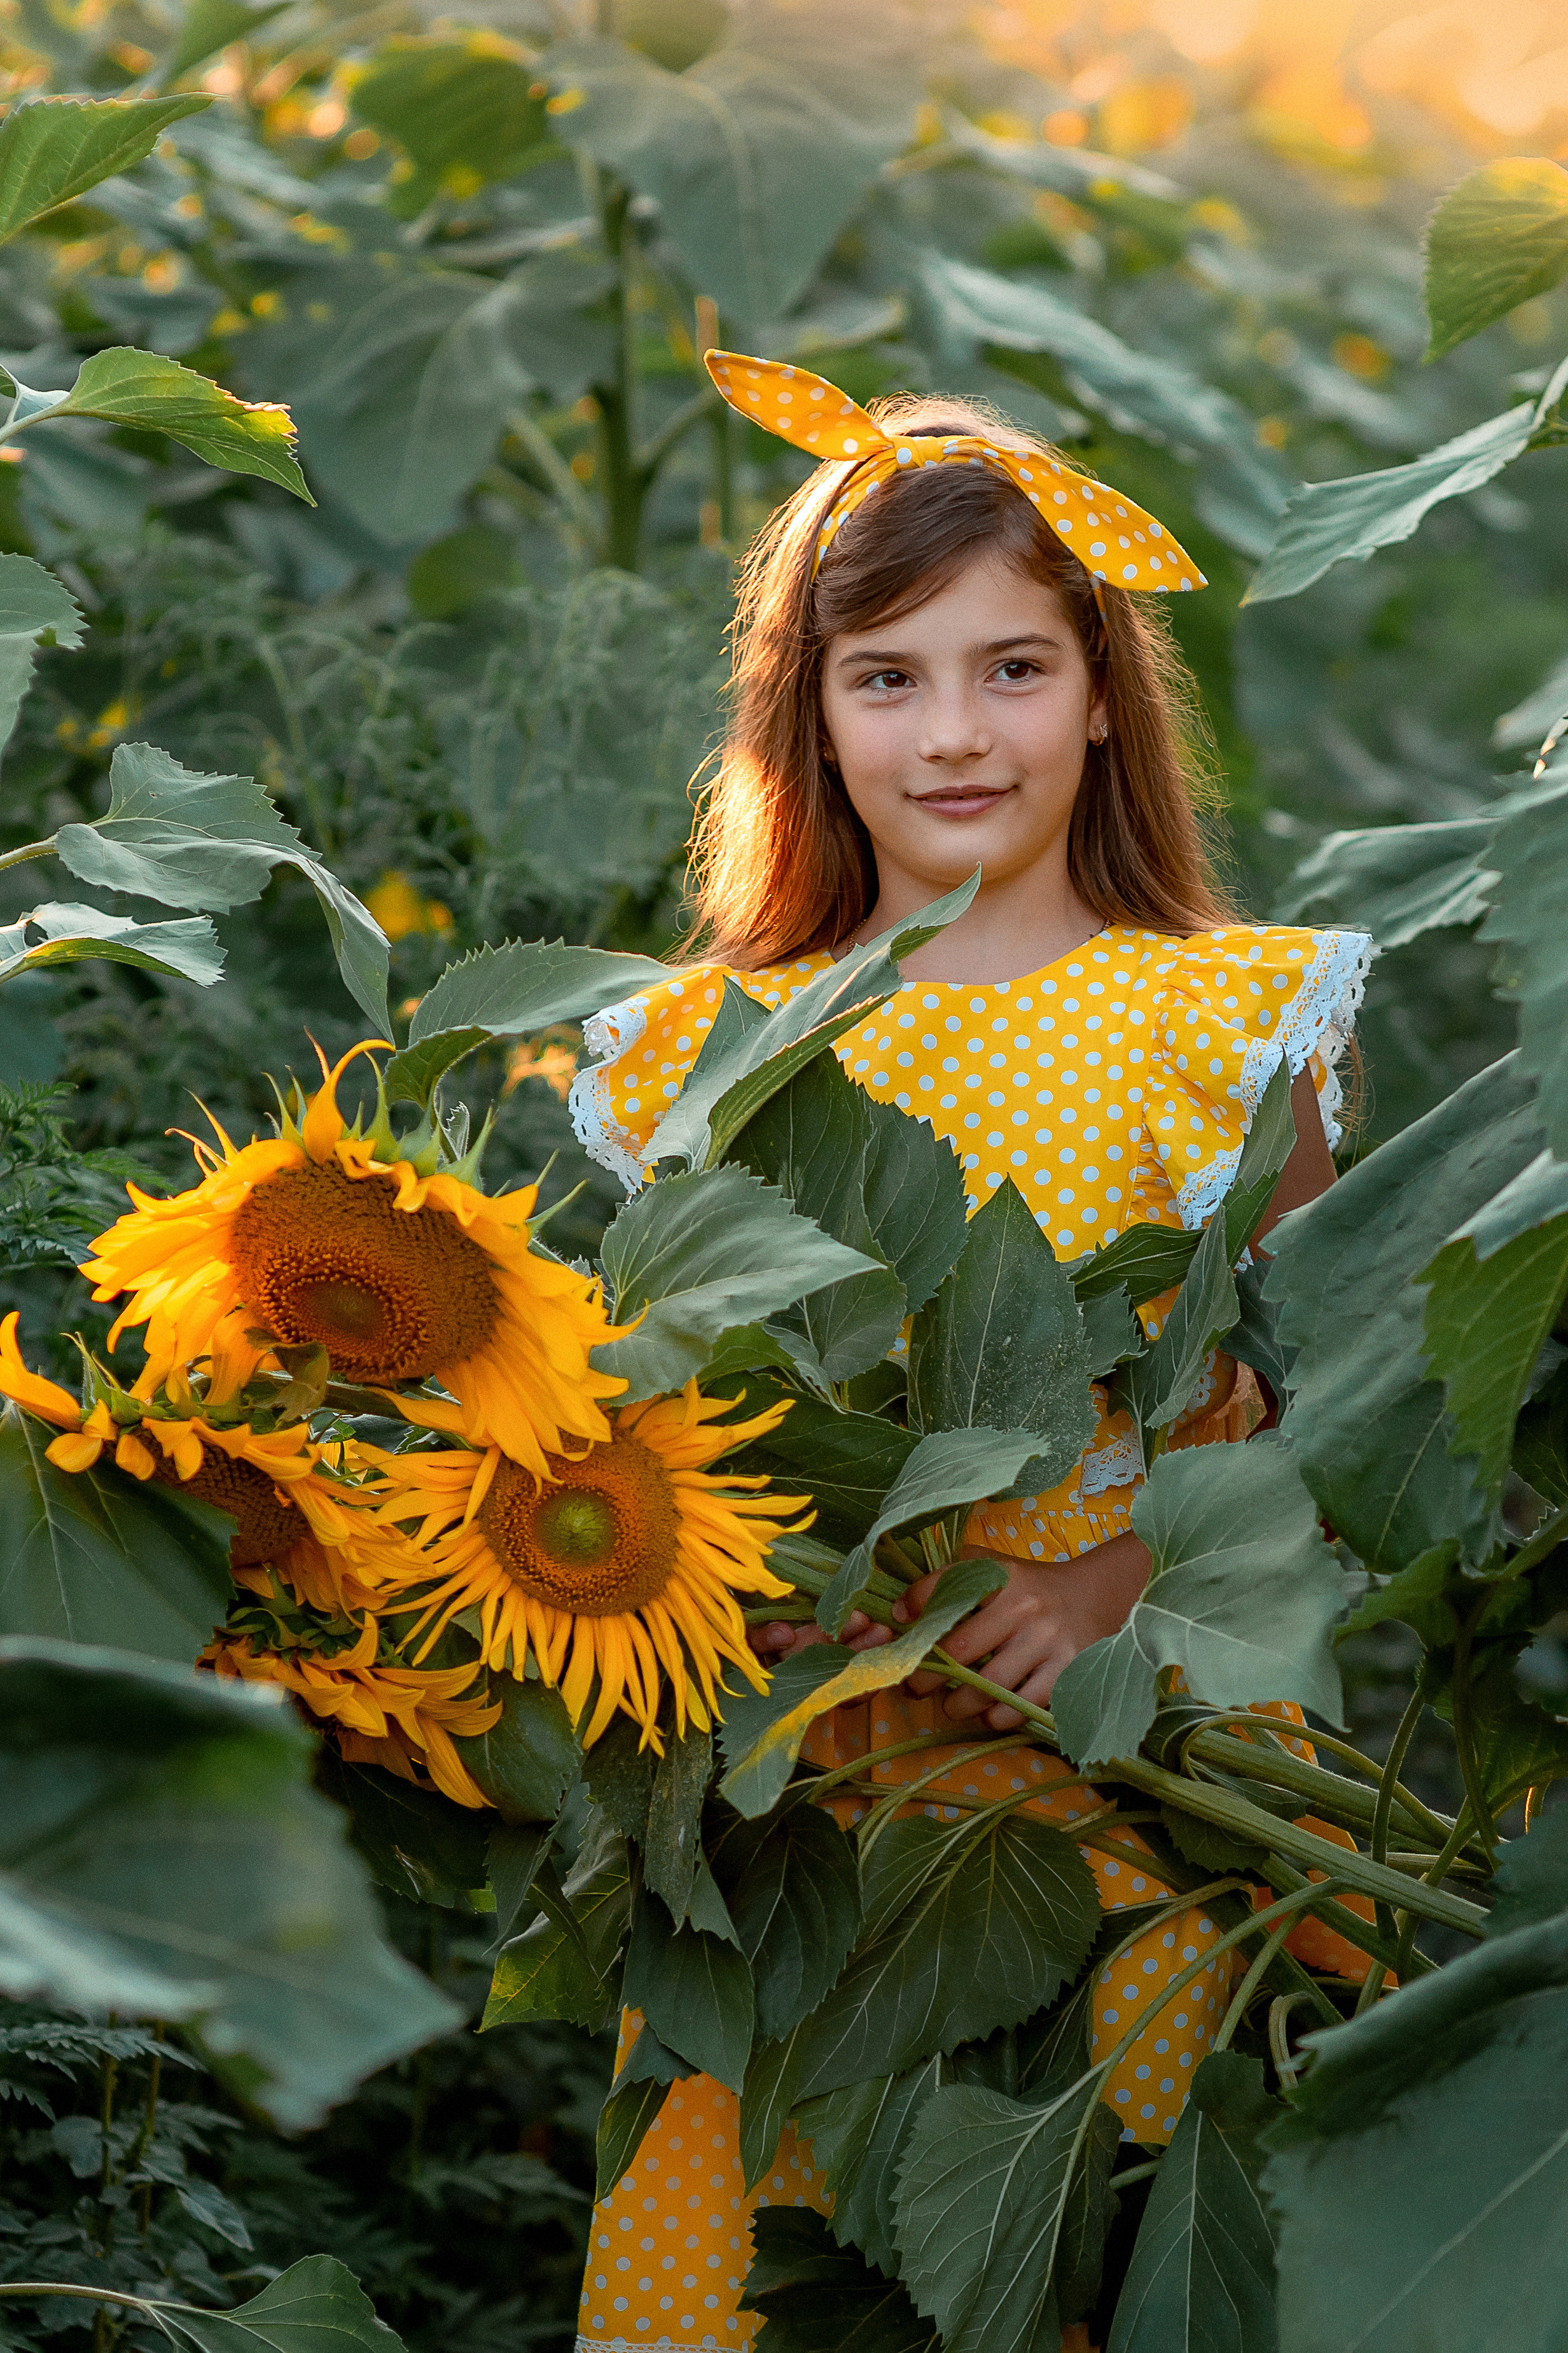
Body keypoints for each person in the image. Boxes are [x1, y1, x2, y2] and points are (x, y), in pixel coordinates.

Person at [567, 351, 1372, 2353]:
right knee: (763, 2261)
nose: (952, 733)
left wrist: (1127, 1567)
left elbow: (1344, 1396)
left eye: (1012, 670)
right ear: (807, 715)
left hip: (1156, 1754)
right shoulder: (710, 1045)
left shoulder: (1219, 1013)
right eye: (889, 676)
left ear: (1103, 692)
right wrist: (719, 1594)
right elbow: (669, 1419)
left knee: (1121, 2234)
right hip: (822, 1783)